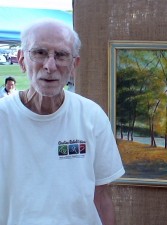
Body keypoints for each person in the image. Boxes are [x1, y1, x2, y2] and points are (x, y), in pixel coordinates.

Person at [0, 19, 125, 225]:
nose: (50, 66)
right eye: (39, 52)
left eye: (61, 55)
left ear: (74, 65)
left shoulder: (92, 116)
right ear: (22, 60)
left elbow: (101, 199)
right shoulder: (3, 117)